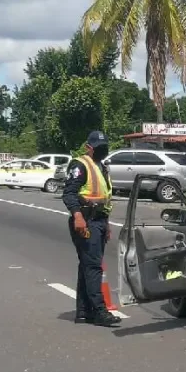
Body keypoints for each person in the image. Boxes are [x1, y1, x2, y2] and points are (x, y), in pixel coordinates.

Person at [61, 131, 122, 327]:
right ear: (88, 147)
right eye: (98, 146)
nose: (102, 150)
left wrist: (107, 223)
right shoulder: (80, 165)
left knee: (87, 266)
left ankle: (84, 311)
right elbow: (69, 193)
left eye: (105, 146)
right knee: (93, 266)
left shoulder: (102, 167)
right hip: (86, 221)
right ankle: (99, 312)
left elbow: (104, 198)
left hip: (99, 221)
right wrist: (78, 216)